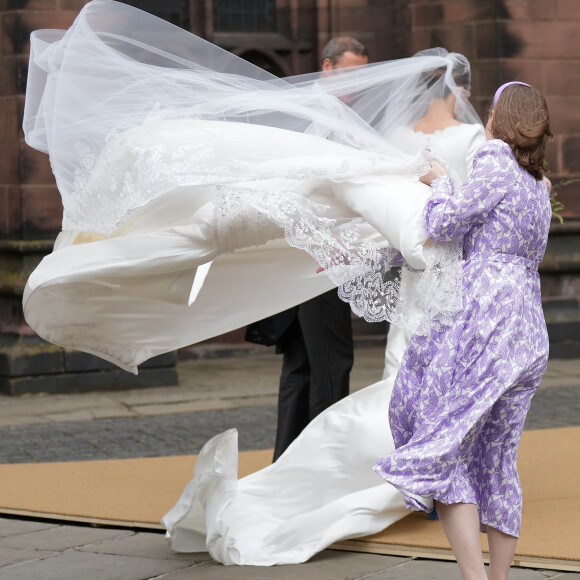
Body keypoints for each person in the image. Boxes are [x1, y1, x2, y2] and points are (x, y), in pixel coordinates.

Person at [19, 1, 516, 568]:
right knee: (338, 367)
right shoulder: (437, 148)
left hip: (358, 254)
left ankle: (403, 469)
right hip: (360, 255)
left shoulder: (392, 140)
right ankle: (391, 470)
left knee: (356, 369)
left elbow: (393, 219)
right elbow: (424, 225)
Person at [374, 82, 552, 580]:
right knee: (497, 459)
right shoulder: (540, 184)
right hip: (528, 330)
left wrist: (439, 182)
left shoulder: (494, 161)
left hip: (484, 321)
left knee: (446, 444)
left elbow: (447, 224)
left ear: (499, 119)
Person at [246, 36, 369, 461]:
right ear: (327, 67)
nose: (356, 84)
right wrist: (325, 244)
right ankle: (323, 469)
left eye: (362, 75)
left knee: (300, 367)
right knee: (331, 366)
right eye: (349, 73)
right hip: (318, 259)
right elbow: (296, 190)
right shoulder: (313, 115)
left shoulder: (324, 113)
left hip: (300, 259)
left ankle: (286, 464)